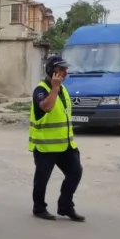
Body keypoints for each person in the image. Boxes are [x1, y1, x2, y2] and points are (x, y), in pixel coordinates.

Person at [30, 55, 85, 222]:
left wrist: (57, 88)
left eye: (65, 70)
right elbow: (46, 108)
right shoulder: (41, 90)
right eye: (61, 70)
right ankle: (39, 208)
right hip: (46, 146)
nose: (64, 73)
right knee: (42, 180)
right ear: (51, 71)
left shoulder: (63, 89)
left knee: (75, 172)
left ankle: (66, 206)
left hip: (66, 144)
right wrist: (54, 88)